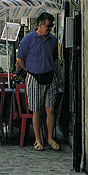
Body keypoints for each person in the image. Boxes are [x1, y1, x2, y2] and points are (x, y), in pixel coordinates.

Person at [16, 12, 60, 151]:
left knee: (50, 109)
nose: (50, 28)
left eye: (51, 25)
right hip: (34, 77)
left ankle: (50, 138)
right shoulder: (28, 39)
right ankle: (38, 139)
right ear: (40, 24)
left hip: (50, 77)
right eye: (48, 25)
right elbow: (20, 59)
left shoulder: (53, 40)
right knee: (37, 111)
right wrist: (29, 70)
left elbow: (54, 56)